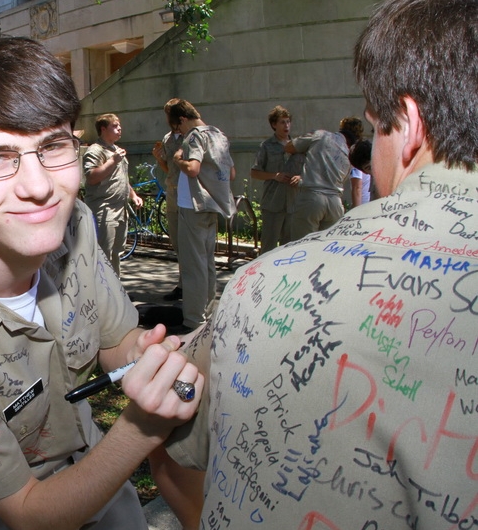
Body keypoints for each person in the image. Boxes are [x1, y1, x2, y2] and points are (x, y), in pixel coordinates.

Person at [0, 36, 205, 530]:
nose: (39, 186)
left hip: (106, 484)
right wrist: (143, 426)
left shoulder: (74, 225)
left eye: (53, 146)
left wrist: (148, 356)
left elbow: (114, 341)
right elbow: (29, 514)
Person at [191, 0, 478, 527]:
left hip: (306, 219)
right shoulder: (291, 147)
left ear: (409, 125)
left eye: (378, 128)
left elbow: (186, 460)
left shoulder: (263, 289)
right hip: (298, 211)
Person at [169, 99, 236, 332]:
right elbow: (232, 173)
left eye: (178, 128)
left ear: (182, 119)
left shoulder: (195, 136)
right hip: (214, 205)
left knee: (193, 265)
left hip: (193, 206)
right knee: (207, 263)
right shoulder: (219, 135)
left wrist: (179, 159)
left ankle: (194, 320)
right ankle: (207, 314)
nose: (179, 133)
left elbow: (193, 168)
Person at [83, 113, 142, 276]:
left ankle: (114, 292)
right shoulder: (95, 150)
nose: (119, 128)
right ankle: (101, 294)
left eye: (119, 125)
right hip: (104, 209)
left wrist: (133, 195)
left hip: (120, 209)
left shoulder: (117, 150)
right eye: (115, 126)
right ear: (103, 129)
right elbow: (92, 177)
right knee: (103, 254)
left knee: (116, 253)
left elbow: (121, 177)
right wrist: (111, 161)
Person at [285, 123, 351, 241]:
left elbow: (289, 147)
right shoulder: (347, 151)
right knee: (326, 247)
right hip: (335, 202)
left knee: (301, 245)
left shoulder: (320, 135)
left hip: (312, 197)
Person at [250, 105, 301, 254]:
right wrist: (274, 175)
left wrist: (300, 177)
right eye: (282, 122)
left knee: (290, 246)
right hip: (273, 203)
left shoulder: (298, 145)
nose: (286, 126)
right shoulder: (266, 146)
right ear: (274, 125)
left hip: (293, 203)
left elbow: (309, 169)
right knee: (269, 245)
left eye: (288, 122)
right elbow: (254, 172)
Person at [152, 98, 185, 301]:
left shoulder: (191, 136)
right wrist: (158, 158)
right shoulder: (168, 138)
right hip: (172, 193)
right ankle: (182, 284)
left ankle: (191, 286)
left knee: (191, 244)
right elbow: (168, 169)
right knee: (178, 243)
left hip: (188, 195)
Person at [340, 116, 372, 208]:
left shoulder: (356, 154)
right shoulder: (365, 148)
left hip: (363, 205)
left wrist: (356, 211)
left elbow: (357, 187)